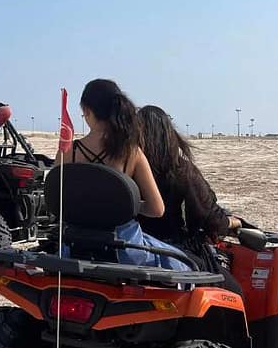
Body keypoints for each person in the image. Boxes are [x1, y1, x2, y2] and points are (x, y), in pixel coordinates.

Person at [62, 79, 189, 271]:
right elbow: (157, 209)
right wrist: (123, 203)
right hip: (123, 249)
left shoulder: (68, 151)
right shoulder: (131, 152)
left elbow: (58, 197)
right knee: (185, 263)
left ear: (87, 111)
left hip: (74, 246)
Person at [137, 105, 243, 292]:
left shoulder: (127, 167)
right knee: (234, 291)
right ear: (168, 135)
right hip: (170, 248)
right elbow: (209, 216)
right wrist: (233, 222)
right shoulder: (180, 170)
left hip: (133, 246)